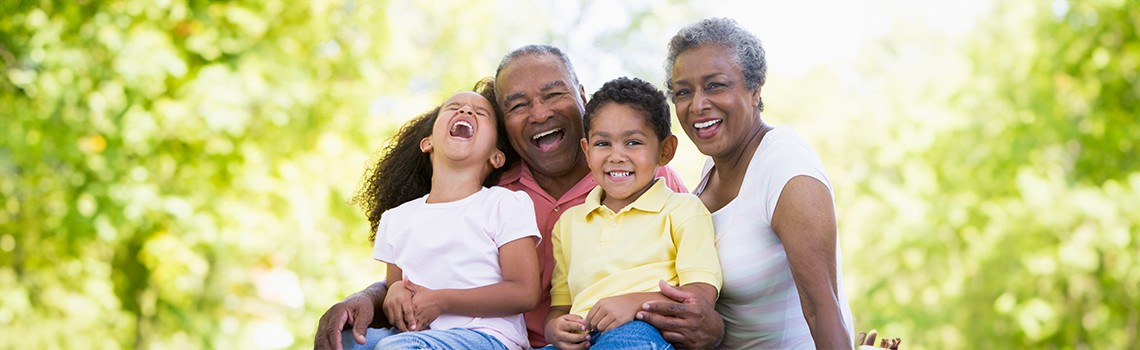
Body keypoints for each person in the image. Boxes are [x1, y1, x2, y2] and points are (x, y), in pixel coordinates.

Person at [314, 45, 689, 350]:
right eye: (517, 105)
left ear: (582, 96)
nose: (539, 112)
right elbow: (420, 271)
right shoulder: (493, 192)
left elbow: (700, 271)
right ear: (504, 130)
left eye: (554, 93)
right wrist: (369, 297)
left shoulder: (645, 179)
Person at [634, 17, 856, 349]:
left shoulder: (785, 165)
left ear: (755, 89)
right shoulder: (711, 171)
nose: (697, 105)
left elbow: (822, 309)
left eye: (715, 85)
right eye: (683, 92)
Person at [359, 79, 542, 350]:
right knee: (347, 341)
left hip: (487, 336)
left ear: (496, 156)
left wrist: (442, 300)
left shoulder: (504, 204)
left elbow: (524, 292)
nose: (466, 111)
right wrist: (394, 294)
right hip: (416, 337)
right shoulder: (395, 218)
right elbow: (395, 287)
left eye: (481, 113)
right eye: (454, 107)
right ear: (427, 142)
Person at [540, 77, 721, 350]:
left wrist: (634, 302)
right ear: (587, 152)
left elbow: (700, 297)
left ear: (665, 150)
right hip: (585, 336)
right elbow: (561, 307)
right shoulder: (568, 224)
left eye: (633, 142)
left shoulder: (684, 210)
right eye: (603, 144)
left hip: (645, 330)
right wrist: (555, 329)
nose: (616, 156)